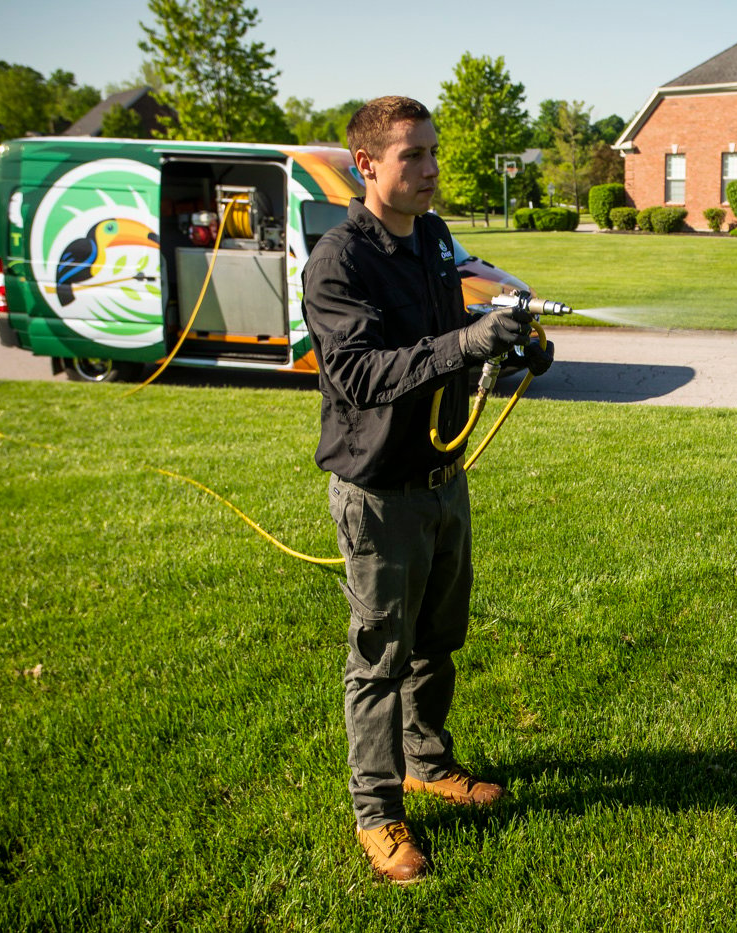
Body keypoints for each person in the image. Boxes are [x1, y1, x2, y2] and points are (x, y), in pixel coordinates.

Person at [302, 95, 553, 885]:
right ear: (366, 164)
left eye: (433, 152)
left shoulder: (436, 239)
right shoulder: (339, 260)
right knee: (379, 656)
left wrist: (510, 352)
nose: (431, 168)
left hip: (447, 481)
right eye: (413, 155)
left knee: (438, 640)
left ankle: (427, 762)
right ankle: (376, 814)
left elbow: (452, 352)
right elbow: (361, 373)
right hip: (379, 491)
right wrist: (465, 340)